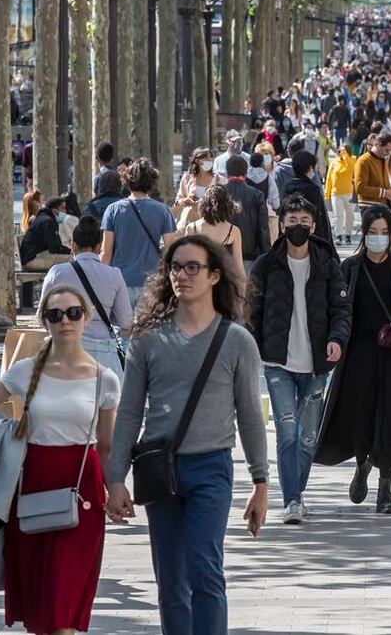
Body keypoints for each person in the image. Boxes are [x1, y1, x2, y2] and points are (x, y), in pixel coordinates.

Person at [107, 235, 269, 634]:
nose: (182, 275)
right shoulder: (147, 338)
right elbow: (128, 411)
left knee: (204, 571)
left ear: (215, 276)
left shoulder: (236, 340)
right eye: (175, 268)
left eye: (192, 267)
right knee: (170, 583)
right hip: (159, 470)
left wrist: (260, 481)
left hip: (211, 468)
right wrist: (115, 478)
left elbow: (250, 415)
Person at [0, 286, 120, 634]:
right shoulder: (24, 371)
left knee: (62, 600)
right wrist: (6, 441)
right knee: (40, 602)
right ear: (44, 322)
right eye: (55, 314)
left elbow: (107, 447)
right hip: (32, 482)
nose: (65, 321)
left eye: (73, 313)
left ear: (87, 317)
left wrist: (117, 490)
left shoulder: (105, 380)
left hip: (84, 490)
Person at [316, 204, 391, 515]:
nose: (378, 239)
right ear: (364, 235)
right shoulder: (350, 267)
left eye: (384, 233)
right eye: (372, 233)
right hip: (359, 356)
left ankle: (385, 491)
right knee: (361, 417)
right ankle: (362, 464)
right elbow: (338, 308)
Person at [250, 195, 350, 525]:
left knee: (308, 437)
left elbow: (341, 311)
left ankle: (297, 490)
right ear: (281, 225)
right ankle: (292, 500)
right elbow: (252, 312)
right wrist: (254, 346)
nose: (297, 228)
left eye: (303, 223)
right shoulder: (267, 265)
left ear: (314, 226)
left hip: (317, 364)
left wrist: (336, 339)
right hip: (277, 363)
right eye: (291, 223)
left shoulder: (326, 264)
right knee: (287, 432)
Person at [41, 217, 132, 378]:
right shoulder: (114, 275)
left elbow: (42, 316)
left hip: (63, 354)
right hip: (104, 357)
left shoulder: (57, 272)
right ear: (99, 247)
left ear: (73, 246)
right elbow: (125, 322)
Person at [100, 158, 178, 307]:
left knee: (121, 328)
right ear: (152, 181)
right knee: (148, 327)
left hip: (120, 281)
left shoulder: (113, 210)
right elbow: (171, 249)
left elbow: (106, 252)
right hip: (151, 281)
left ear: (127, 180)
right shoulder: (163, 210)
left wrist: (102, 281)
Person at [182, 184, 246, 279]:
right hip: (224, 281)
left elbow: (186, 259)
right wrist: (242, 289)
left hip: (198, 279)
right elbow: (238, 266)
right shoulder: (233, 231)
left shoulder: (192, 228)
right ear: (227, 205)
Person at [224, 156, 271, 271]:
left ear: (227, 173)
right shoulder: (257, 194)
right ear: (245, 173)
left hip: (223, 255)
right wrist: (267, 255)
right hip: (250, 254)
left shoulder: (219, 193)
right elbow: (263, 228)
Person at [283, 150, 335, 249]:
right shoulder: (312, 190)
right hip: (311, 242)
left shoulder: (286, 188)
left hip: (288, 240)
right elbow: (319, 219)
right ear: (310, 168)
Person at [175, 148, 227, 229]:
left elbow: (223, 201)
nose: (209, 160)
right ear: (197, 161)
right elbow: (179, 198)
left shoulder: (218, 179)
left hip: (211, 222)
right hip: (190, 221)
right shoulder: (187, 177)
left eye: (211, 157)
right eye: (206, 158)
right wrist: (185, 200)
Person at [19, 197, 73, 271]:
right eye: (62, 208)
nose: (65, 211)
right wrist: (71, 251)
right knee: (74, 260)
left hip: (35, 255)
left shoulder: (44, 218)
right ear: (54, 209)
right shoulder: (47, 221)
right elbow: (54, 247)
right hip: (32, 259)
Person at [354, 132, 391, 205]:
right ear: (377, 144)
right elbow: (360, 188)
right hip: (369, 207)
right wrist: (384, 193)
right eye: (387, 150)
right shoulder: (363, 161)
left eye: (390, 152)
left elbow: (382, 185)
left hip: (383, 206)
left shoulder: (383, 160)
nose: (388, 154)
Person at [324, 144, 357, 246]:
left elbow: (352, 169)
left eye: (343, 151)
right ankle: (338, 235)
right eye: (339, 151)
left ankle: (348, 236)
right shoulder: (334, 163)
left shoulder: (353, 160)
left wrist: (346, 156)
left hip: (350, 192)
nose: (340, 153)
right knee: (338, 215)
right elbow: (329, 178)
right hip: (336, 193)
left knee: (350, 216)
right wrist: (327, 193)